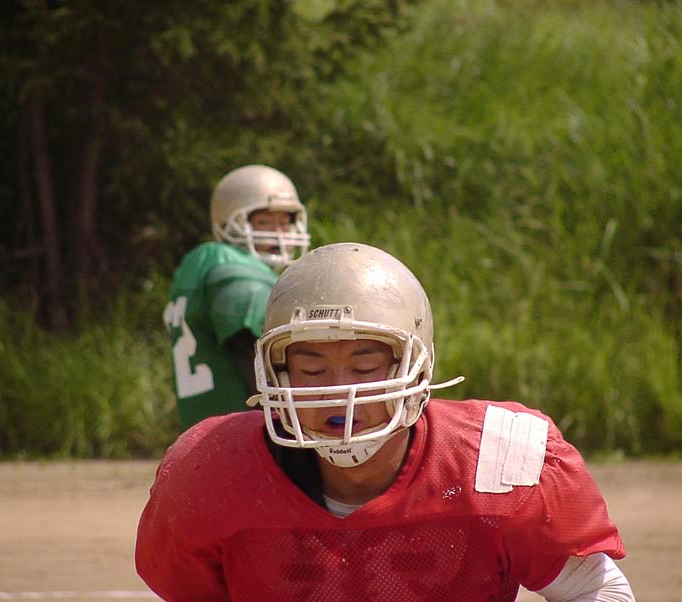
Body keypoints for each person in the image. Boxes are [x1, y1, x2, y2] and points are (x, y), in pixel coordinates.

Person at [138, 242, 634, 601]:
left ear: (416, 367)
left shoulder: (496, 462)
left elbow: (595, 590)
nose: (339, 391)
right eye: (312, 369)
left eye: (365, 366)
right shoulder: (210, 471)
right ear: (274, 371)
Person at [162, 164, 310, 430]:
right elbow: (257, 357)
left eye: (284, 222)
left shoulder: (197, 264)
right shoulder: (232, 266)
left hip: (199, 430)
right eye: (264, 222)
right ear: (231, 222)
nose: (278, 233)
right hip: (241, 431)